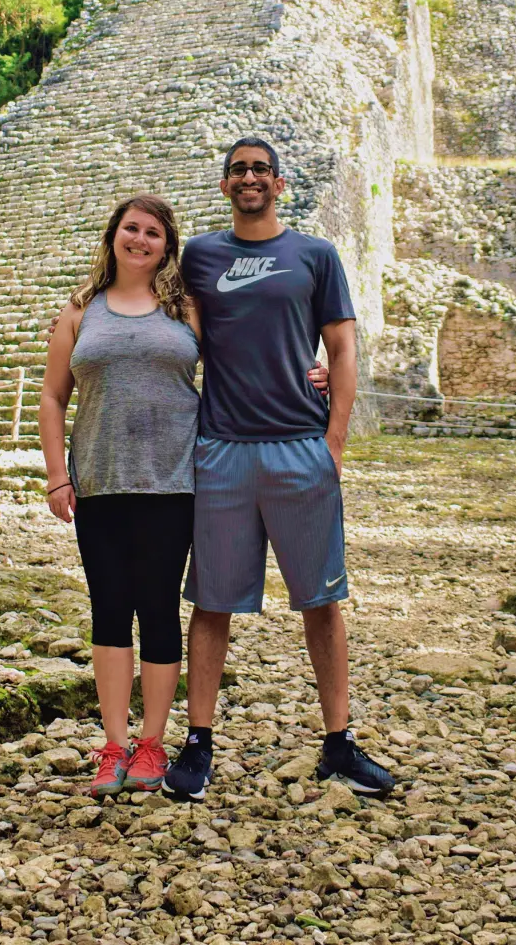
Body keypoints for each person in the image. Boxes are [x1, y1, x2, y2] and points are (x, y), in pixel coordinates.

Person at [164, 137, 395, 800]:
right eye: (238, 169)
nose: (250, 178)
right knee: (211, 601)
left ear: (279, 183)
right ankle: (198, 743)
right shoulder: (200, 255)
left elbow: (342, 347)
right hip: (223, 448)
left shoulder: (316, 255)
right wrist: (77, 316)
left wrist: (334, 442)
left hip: (300, 446)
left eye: (261, 169)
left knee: (322, 599)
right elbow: (166, 317)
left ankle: (339, 742)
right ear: (224, 184)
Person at [38, 194, 200, 796]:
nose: (140, 240)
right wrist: (57, 475)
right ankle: (112, 746)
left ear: (167, 246)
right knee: (108, 610)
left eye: (153, 232)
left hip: (172, 483)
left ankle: (152, 744)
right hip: (99, 482)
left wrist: (313, 373)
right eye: (131, 228)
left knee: (158, 609)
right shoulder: (80, 309)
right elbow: (53, 396)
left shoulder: (187, 308)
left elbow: (239, 369)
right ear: (113, 236)